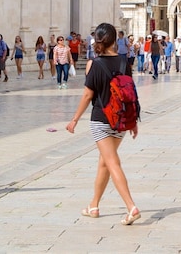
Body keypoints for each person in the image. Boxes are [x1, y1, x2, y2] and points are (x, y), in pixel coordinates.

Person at [65, 22, 141, 226]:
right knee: (105, 162)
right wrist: (134, 120)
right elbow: (130, 93)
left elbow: (88, 94)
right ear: (115, 40)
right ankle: (94, 205)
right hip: (120, 120)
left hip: (101, 120)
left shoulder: (95, 64)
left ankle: (131, 206)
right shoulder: (124, 62)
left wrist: (74, 120)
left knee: (112, 162)